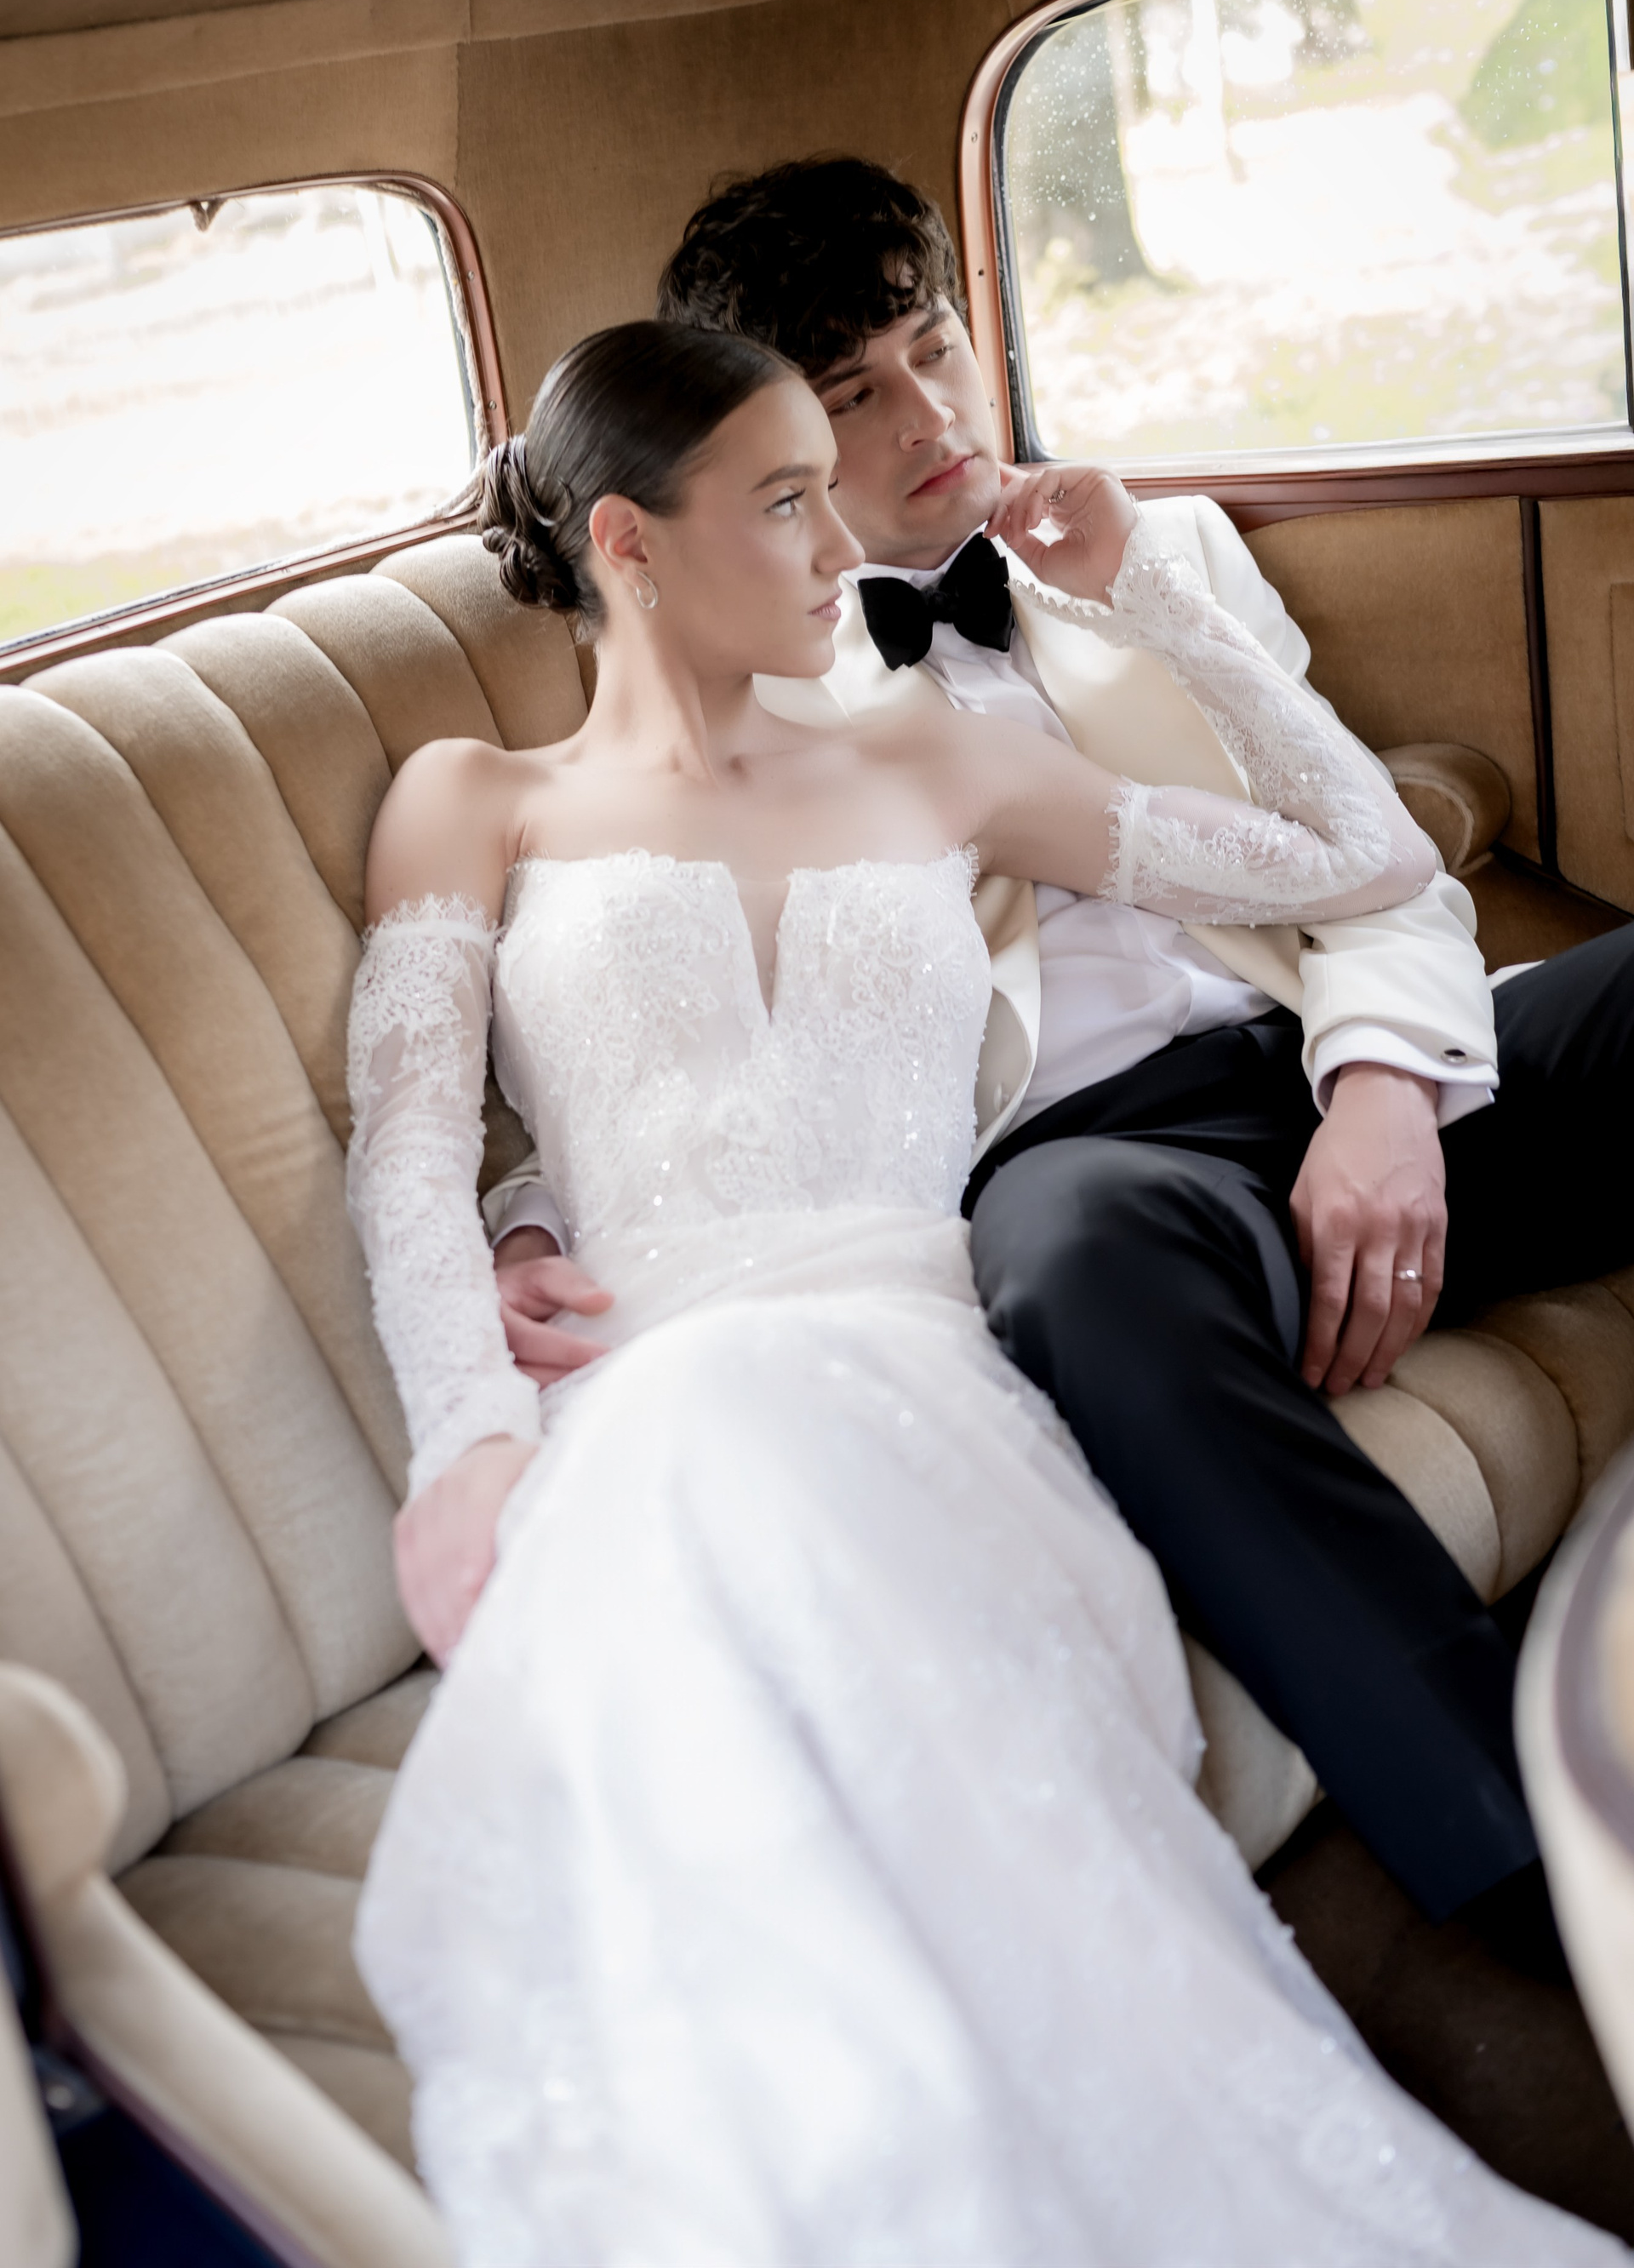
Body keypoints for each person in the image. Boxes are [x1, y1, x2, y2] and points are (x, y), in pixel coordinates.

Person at [348, 317, 1620, 2261]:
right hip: (641, 1385)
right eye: (785, 501)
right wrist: (466, 1439)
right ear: (626, 541)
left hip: (927, 1359)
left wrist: (1151, 601)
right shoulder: (469, 797)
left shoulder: (930, 760)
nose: (834, 543)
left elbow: (1359, 859)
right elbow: (409, 1151)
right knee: (706, 1528)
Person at [485, 156, 1632, 1960]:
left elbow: (1381, 863)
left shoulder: (1171, 553)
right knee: (1080, 1258)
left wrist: (1385, 1091)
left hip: (1362, 1061)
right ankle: (1538, 1871)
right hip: (1100, 1168)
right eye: (852, 395)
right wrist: (532, 1219)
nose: (929, 417)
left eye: (935, 348)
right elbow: (636, 1024)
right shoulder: (741, 697)